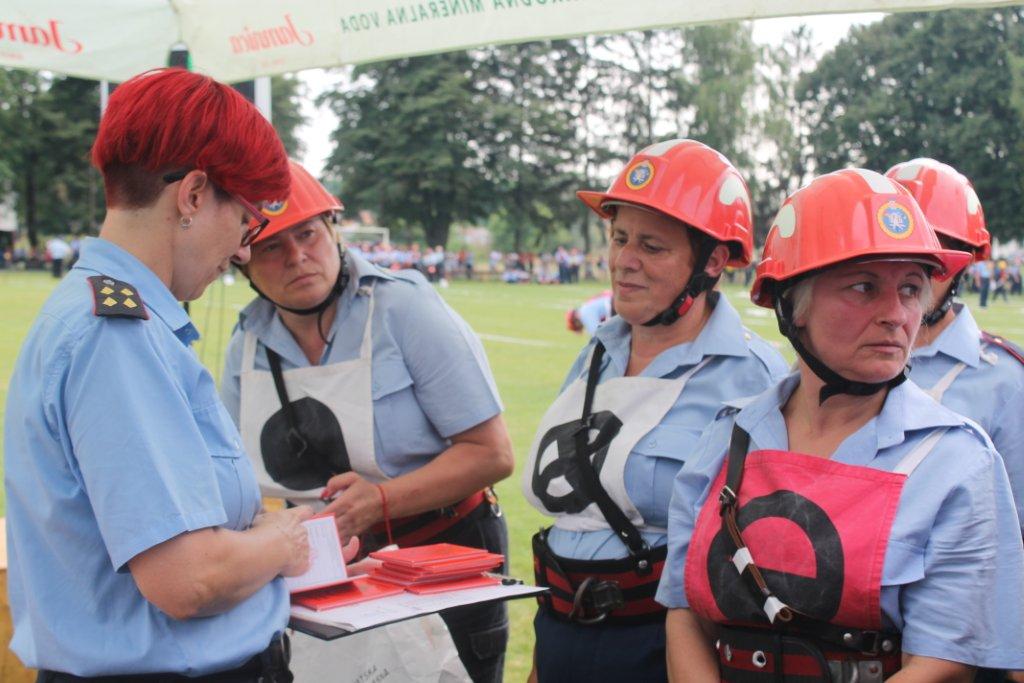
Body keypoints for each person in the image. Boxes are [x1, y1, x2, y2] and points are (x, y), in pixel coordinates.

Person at [4, 68, 312, 680]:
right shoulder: (116, 335)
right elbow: (187, 579)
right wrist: (282, 545)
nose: (245, 251)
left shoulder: (104, 318)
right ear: (194, 195)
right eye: (248, 220)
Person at [658, 168, 1024, 681]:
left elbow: (944, 662)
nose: (896, 314)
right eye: (863, 286)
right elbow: (685, 611)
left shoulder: (959, 461)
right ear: (794, 302)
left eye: (912, 289)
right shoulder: (726, 437)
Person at [220, 160, 515, 683]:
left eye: (308, 234)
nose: (297, 257)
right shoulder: (245, 344)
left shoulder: (403, 308)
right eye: (271, 247)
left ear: (332, 230)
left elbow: (491, 453)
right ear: (243, 261)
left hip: (440, 558)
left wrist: (379, 503)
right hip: (324, 571)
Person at [524, 139, 789, 682]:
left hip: (665, 651)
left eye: (653, 246)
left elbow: (771, 558)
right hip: (560, 635)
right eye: (620, 238)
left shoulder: (755, 377)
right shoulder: (597, 351)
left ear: (712, 260)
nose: (624, 260)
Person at [886, 159, 1024, 534]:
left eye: (936, 255)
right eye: (896, 249)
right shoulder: (838, 358)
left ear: (962, 263)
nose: (912, 270)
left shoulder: (1008, 383)